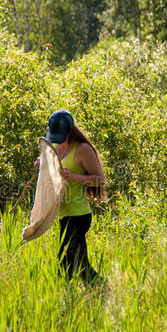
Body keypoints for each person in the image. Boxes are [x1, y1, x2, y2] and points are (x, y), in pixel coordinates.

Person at [34, 109, 107, 284]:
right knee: (80, 264)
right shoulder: (57, 148)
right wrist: (41, 164)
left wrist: (75, 177)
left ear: (70, 131)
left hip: (79, 215)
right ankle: (101, 290)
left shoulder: (83, 150)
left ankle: (65, 300)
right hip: (64, 216)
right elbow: (52, 170)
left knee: (65, 263)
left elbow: (100, 180)